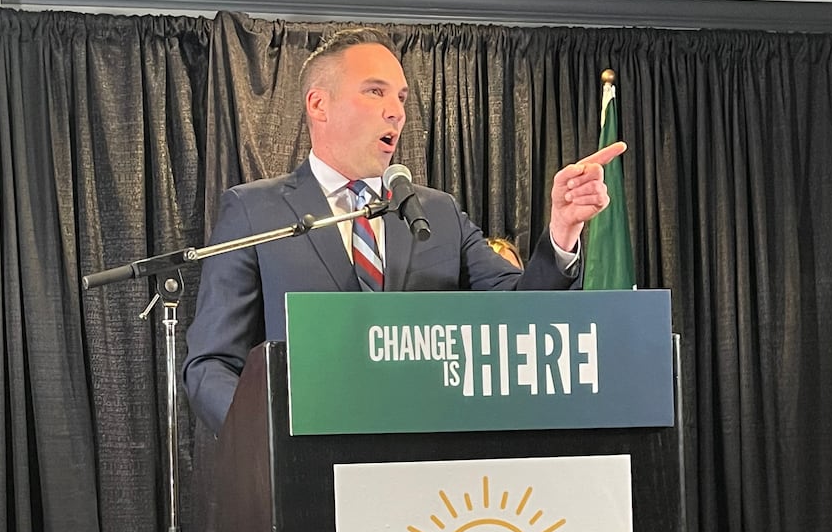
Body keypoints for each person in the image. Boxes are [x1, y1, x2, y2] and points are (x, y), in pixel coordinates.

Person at [183, 27, 624, 434]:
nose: (395, 112)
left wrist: (562, 232)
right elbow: (211, 365)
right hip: (304, 469)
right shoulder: (254, 211)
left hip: (427, 468)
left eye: (401, 97)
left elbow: (518, 319)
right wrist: (267, 442)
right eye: (375, 92)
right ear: (319, 104)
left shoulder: (438, 213)